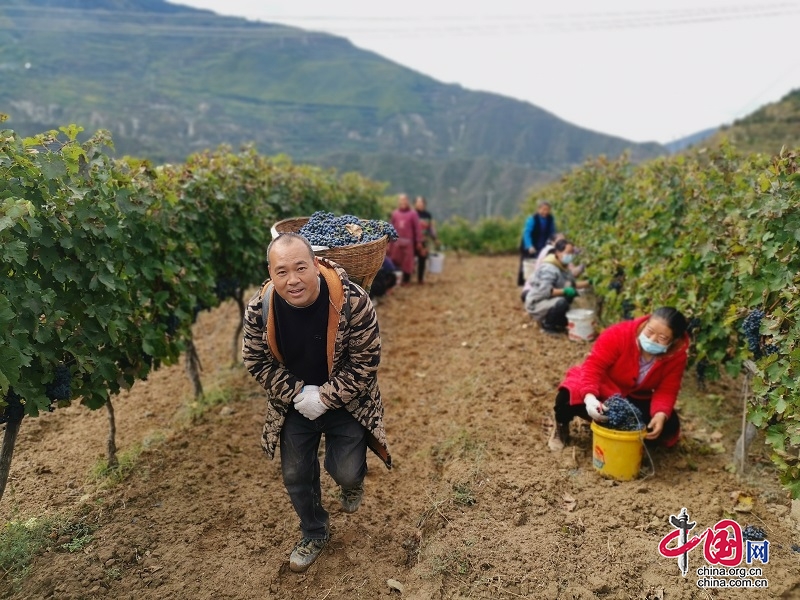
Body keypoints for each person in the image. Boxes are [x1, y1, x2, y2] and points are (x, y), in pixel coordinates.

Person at [242, 233, 392, 573]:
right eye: (282, 271)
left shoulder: (352, 300)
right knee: (295, 472)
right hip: (293, 404)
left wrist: (325, 397)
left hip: (347, 401)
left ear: (316, 264)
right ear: (270, 272)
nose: (292, 280)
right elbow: (255, 359)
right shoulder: (261, 308)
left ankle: (352, 484)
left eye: (300, 268)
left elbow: (366, 362)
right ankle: (314, 532)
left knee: (346, 470)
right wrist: (297, 393)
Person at [548, 307, 690, 451]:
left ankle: (620, 432)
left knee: (668, 424)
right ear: (646, 323)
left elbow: (667, 389)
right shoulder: (620, 333)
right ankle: (561, 425)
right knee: (569, 394)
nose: (652, 339)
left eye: (662, 338)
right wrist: (590, 398)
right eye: (650, 331)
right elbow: (594, 366)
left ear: (674, 340)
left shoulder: (676, 356)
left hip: (634, 398)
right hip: (605, 387)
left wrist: (659, 414)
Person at [521, 239, 590, 333]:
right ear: (558, 253)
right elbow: (546, 291)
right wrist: (565, 291)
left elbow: (573, 284)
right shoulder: (549, 268)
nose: (570, 256)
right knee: (562, 302)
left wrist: (590, 282)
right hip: (537, 303)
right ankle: (547, 325)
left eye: (572, 253)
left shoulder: (563, 266)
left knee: (567, 302)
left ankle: (558, 321)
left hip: (549, 300)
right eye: (568, 253)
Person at [517, 200, 556, 286]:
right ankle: (525, 283)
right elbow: (527, 233)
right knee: (528, 263)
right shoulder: (532, 219)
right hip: (531, 243)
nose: (545, 212)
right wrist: (529, 246)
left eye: (547, 210)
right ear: (539, 209)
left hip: (543, 243)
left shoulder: (550, 219)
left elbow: (552, 232)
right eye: (543, 209)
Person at [388, 193, 423, 285]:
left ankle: (406, 280)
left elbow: (417, 228)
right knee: (395, 260)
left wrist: (418, 241)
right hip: (397, 242)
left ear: (407, 201)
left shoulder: (413, 214)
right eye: (401, 200)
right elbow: (391, 227)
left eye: (405, 200)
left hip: (408, 242)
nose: (403, 202)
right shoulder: (395, 213)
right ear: (399, 202)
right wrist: (388, 241)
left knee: (407, 262)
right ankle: (395, 280)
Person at [414, 195, 439, 284]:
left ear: (424, 204)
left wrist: (435, 238)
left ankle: (420, 278)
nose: (420, 205)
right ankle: (406, 279)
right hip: (413, 240)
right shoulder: (412, 214)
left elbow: (431, 227)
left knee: (422, 258)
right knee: (408, 259)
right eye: (418, 203)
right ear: (415, 204)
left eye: (422, 203)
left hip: (424, 240)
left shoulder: (427, 215)